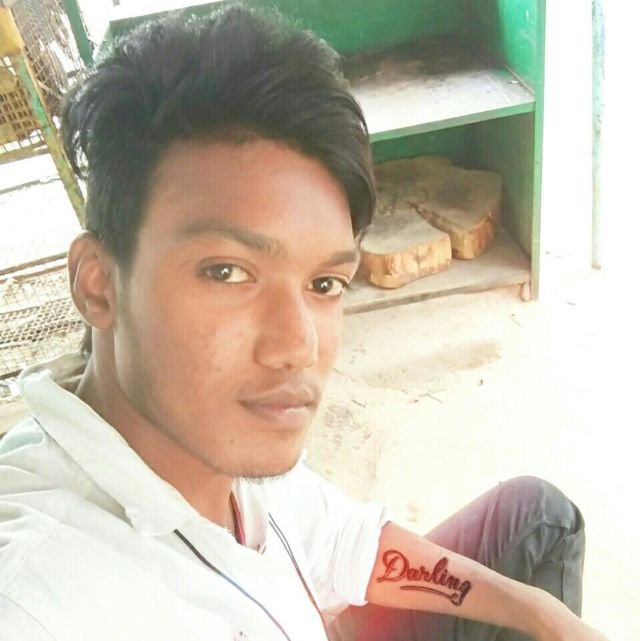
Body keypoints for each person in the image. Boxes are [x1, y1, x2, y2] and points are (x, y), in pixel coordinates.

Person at [0, 6, 608, 641]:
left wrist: (539, 614)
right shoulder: (37, 598)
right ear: (98, 284)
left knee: (541, 518)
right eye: (228, 272)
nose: (298, 346)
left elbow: (343, 540)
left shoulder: (217, 433)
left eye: (324, 284)